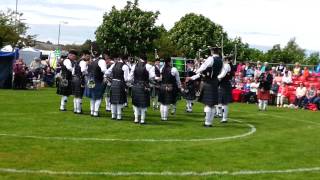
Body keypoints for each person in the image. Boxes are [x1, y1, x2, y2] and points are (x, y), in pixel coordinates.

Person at [186, 47, 223, 127]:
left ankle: (207, 123)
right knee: (212, 104)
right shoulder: (220, 60)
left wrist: (196, 70)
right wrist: (192, 77)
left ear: (212, 51)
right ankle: (209, 122)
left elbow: (202, 68)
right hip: (214, 82)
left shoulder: (211, 59)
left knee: (208, 104)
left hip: (208, 82)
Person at [129, 55, 155, 124]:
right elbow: (152, 76)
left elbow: (129, 78)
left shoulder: (134, 66)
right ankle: (142, 120)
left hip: (135, 86)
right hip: (144, 86)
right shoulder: (149, 66)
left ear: (140, 59)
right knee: (144, 104)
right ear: (146, 60)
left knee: (135, 103)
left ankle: (136, 119)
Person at [105, 55, 130, 120]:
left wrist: (111, 78)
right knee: (119, 100)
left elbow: (107, 72)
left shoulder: (114, 64)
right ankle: (119, 116)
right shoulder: (125, 66)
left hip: (113, 83)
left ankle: (113, 115)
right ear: (125, 60)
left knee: (113, 100)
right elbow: (126, 78)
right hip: (120, 83)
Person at [84, 49, 107, 117]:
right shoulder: (101, 61)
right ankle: (96, 112)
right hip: (98, 80)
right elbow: (104, 70)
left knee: (92, 97)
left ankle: (92, 111)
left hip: (90, 80)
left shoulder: (92, 61)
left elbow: (86, 70)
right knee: (98, 97)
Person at [158, 57, 181, 121]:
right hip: (169, 87)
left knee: (162, 103)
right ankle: (165, 118)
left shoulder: (161, 68)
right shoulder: (174, 69)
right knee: (166, 103)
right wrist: (179, 86)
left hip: (162, 86)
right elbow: (178, 79)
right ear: (169, 62)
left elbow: (160, 78)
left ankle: (162, 117)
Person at [72, 50, 90, 114]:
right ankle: (79, 110)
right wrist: (87, 72)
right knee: (79, 95)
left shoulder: (77, 61)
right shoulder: (83, 62)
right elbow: (83, 70)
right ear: (84, 55)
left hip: (74, 78)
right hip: (80, 79)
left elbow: (73, 72)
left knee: (76, 95)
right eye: (88, 56)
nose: (88, 58)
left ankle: (75, 109)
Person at [217, 55, 234, 123]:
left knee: (224, 103)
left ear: (227, 60)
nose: (223, 60)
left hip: (225, 85)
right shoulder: (225, 65)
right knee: (221, 102)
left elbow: (223, 74)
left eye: (224, 59)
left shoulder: (227, 65)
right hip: (222, 84)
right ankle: (221, 115)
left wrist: (216, 78)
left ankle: (224, 118)